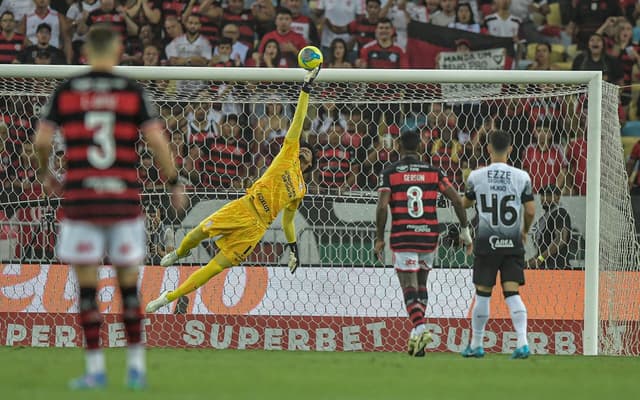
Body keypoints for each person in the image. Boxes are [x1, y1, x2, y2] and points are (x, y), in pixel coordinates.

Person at [33, 25, 184, 389]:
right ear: (117, 50)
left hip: (82, 203)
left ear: (85, 52)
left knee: (86, 291)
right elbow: (157, 141)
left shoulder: (66, 91)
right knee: (129, 289)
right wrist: (174, 181)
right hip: (123, 202)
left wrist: (46, 174)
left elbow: (40, 141)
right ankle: (136, 369)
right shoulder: (131, 91)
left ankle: (95, 371)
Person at [145, 65, 321, 313]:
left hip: (256, 228)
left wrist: (293, 249)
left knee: (215, 268)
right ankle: (180, 253)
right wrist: (306, 88)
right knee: (197, 234)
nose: (305, 152)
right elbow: (299, 121)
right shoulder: (288, 155)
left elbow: (289, 221)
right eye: (305, 149)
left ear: (311, 164)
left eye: (310, 155)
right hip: (243, 207)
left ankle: (168, 296)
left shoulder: (301, 189)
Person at [374, 130, 472, 357]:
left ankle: (420, 328)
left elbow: (381, 206)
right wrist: (465, 230)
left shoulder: (390, 172)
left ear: (399, 146)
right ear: (420, 147)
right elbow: (457, 199)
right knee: (421, 287)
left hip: (404, 237)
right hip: (429, 238)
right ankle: (417, 339)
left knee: (408, 287)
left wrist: (379, 238)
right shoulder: (434, 172)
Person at [460, 129, 536, 359]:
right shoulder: (522, 176)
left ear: (489, 148)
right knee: (512, 293)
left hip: (487, 244)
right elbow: (531, 210)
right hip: (512, 244)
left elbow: (463, 204)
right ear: (511, 149)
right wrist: (523, 231)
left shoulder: (476, 176)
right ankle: (522, 343)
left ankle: (476, 344)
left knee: (483, 294)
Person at [527, 184, 572, 269]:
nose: (544, 198)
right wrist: (529, 262)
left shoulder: (560, 213)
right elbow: (543, 249)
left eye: (548, 195)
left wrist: (540, 259)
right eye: (542, 195)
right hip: (546, 267)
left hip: (557, 268)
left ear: (558, 197)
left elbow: (561, 239)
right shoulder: (545, 217)